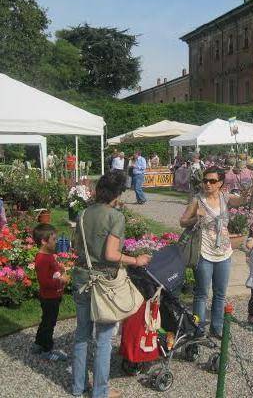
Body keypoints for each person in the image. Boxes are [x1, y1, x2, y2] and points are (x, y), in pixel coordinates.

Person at [71, 171, 151, 398]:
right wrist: (136, 259)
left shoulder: (83, 213)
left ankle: (78, 387)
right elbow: (111, 253)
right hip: (103, 281)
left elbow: (78, 247)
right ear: (117, 193)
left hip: (81, 277)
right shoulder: (115, 216)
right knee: (104, 338)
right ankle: (100, 391)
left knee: (82, 334)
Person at [180, 166, 251, 339]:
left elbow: (241, 201)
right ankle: (198, 329)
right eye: (205, 180)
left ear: (220, 183)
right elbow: (182, 222)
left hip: (224, 252)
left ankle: (217, 328)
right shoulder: (197, 199)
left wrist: (246, 193)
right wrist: (196, 217)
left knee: (220, 293)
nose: (207, 184)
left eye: (212, 181)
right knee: (202, 293)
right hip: (204, 251)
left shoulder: (224, 197)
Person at [31, 224, 70, 361]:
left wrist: (60, 268)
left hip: (53, 296)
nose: (56, 241)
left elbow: (53, 268)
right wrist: (62, 280)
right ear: (44, 241)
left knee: (45, 321)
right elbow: (44, 282)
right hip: (49, 297)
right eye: (53, 239)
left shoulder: (50, 255)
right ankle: (47, 350)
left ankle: (38, 344)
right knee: (49, 323)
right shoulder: (42, 259)